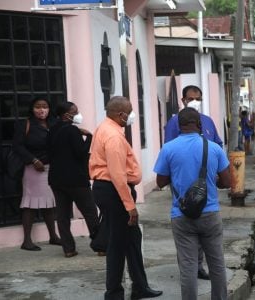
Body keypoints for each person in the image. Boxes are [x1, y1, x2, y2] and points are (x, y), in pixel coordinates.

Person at [89, 96, 162, 300]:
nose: (131, 116)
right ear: (120, 115)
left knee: (133, 238)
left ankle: (140, 286)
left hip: (110, 189)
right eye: (129, 112)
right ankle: (114, 293)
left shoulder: (106, 128)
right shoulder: (112, 136)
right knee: (117, 244)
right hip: (113, 191)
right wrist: (130, 206)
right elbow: (117, 175)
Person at [154, 107, 230, 300]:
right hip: (210, 213)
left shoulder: (168, 148)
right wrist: (211, 181)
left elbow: (160, 182)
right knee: (217, 264)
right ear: (200, 125)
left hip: (181, 214)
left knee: (187, 267)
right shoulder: (214, 148)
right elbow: (228, 182)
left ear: (179, 126)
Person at [164, 84, 223, 280]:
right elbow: (171, 151)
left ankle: (198, 265)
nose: (195, 101)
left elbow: (218, 145)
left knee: (204, 228)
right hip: (182, 188)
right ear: (183, 100)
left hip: (206, 186)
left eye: (198, 97)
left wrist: (214, 171)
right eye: (191, 98)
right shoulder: (175, 123)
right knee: (189, 220)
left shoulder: (207, 121)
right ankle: (192, 266)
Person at [48, 101, 99, 258]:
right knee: (90, 212)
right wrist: (89, 137)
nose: (78, 114)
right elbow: (81, 153)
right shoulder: (72, 131)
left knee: (63, 216)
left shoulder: (52, 130)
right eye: (74, 111)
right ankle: (100, 245)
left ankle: (68, 248)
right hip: (76, 179)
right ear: (66, 115)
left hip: (56, 179)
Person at [13, 97, 61, 251]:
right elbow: (18, 146)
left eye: (45, 107)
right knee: (30, 204)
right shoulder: (25, 124)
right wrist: (33, 160)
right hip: (34, 169)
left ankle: (53, 236)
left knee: (49, 203)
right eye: (38, 107)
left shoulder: (53, 123)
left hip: (51, 167)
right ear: (32, 109)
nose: (42, 110)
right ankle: (26, 241)